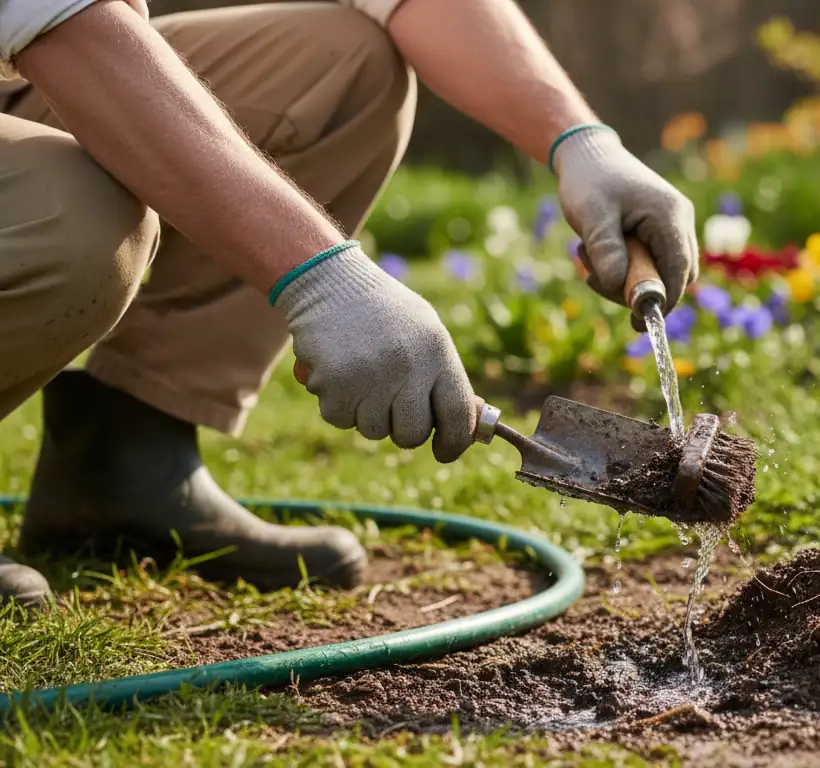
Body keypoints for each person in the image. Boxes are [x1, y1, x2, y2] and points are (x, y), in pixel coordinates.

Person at [0, 0, 700, 605]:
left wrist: (581, 143)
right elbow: (63, 24)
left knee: (343, 69)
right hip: (58, 43)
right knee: (74, 219)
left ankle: (120, 468)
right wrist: (321, 279)